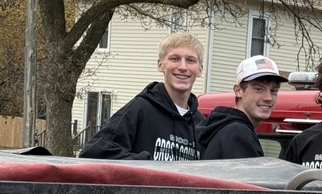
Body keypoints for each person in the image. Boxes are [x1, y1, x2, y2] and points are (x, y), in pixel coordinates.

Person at [80, 33, 204, 161]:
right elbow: (93, 153)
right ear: (160, 65)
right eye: (174, 59)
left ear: (200, 69)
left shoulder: (201, 126)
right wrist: (147, 166)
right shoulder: (140, 109)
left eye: (190, 60)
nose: (183, 67)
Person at [200, 55, 288, 159]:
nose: (268, 98)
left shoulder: (226, 128)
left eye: (273, 91)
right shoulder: (238, 133)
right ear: (238, 90)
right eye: (259, 89)